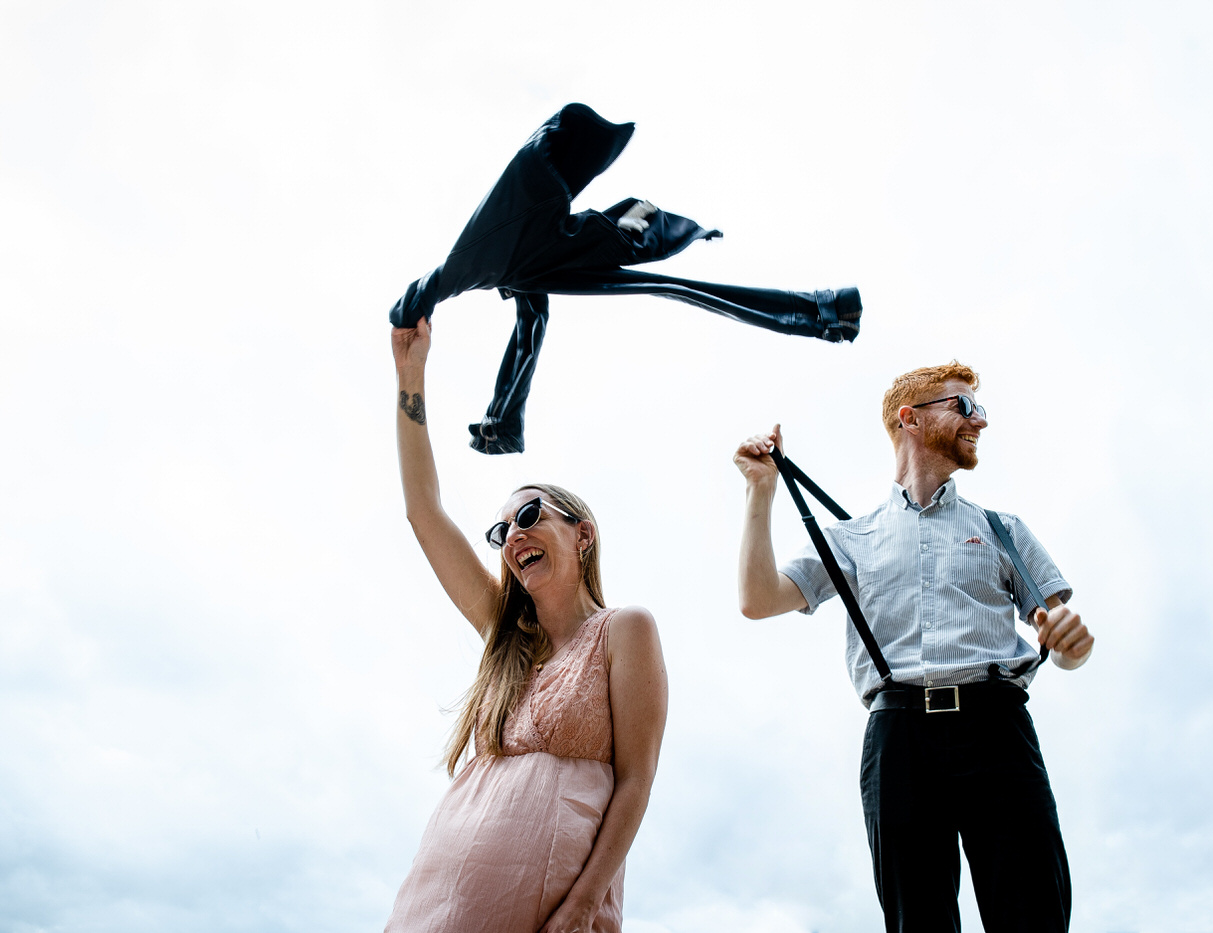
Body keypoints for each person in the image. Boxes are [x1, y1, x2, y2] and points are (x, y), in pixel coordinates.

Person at [732, 362, 1095, 933]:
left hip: (997, 728)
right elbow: (758, 599)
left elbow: (1063, 641)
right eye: (964, 406)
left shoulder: (1002, 529)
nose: (979, 420)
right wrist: (761, 492)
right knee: (916, 921)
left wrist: (1072, 647)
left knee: (1033, 912)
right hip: (899, 737)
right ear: (911, 419)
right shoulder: (854, 538)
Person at [385, 316, 668, 933]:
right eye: (502, 530)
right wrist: (411, 374)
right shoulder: (504, 636)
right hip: (440, 898)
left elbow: (637, 780)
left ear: (583, 535)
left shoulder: (626, 631)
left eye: (531, 514)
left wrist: (585, 903)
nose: (514, 534)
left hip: (552, 907)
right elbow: (423, 511)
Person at [387, 102, 862, 454]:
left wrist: (407, 314)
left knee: (670, 287)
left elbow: (427, 290)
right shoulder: (513, 270)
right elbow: (527, 332)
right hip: (570, 249)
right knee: (668, 288)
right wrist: (499, 424)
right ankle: (825, 312)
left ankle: (824, 311)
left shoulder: (481, 259)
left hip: (570, 245)